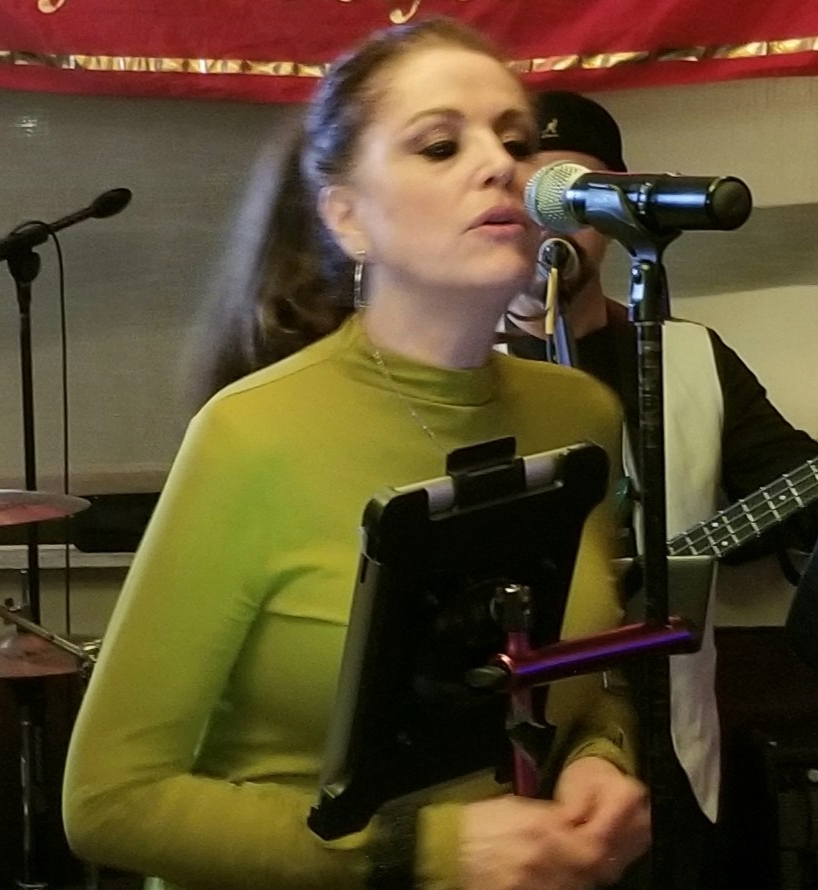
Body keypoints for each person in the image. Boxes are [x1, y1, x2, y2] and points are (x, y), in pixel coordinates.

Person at [62, 23, 650, 890]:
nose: (500, 165)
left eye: (516, 141)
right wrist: (422, 850)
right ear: (346, 216)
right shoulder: (251, 435)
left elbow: (584, 674)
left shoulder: (579, 414)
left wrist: (600, 755)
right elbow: (109, 804)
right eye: (440, 145)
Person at [505, 90, 818, 888]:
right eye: (527, 196)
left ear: (616, 211)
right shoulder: (448, 371)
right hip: (498, 758)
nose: (547, 222)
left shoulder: (687, 357)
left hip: (666, 747)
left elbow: (812, 503)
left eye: (573, 196)